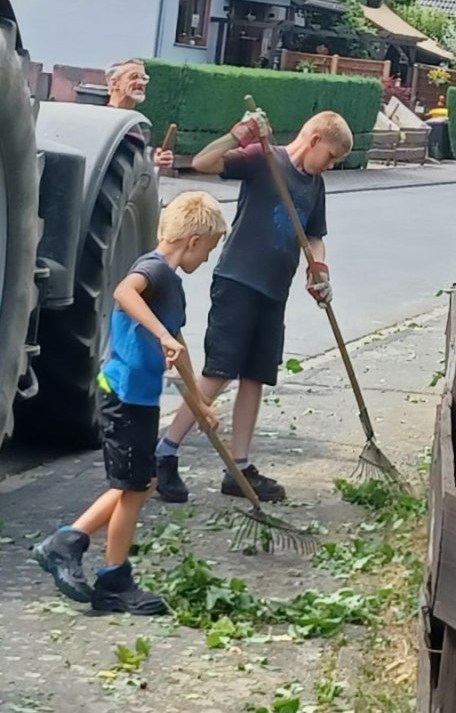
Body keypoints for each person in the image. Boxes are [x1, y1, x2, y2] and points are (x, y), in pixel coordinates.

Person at [30, 191, 227, 614]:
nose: (207, 259)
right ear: (193, 242)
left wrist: (199, 402)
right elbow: (124, 293)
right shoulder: (153, 269)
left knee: (139, 484)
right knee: (134, 487)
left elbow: (180, 350)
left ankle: (83, 556)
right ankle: (99, 567)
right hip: (122, 396)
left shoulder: (171, 286)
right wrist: (161, 333)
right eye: (208, 250)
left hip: (139, 398)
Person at [152, 109, 351, 504]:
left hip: (273, 292)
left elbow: (313, 236)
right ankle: (165, 452)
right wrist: (237, 134)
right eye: (329, 156)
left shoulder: (315, 185)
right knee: (219, 370)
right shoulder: (264, 160)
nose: (329, 166)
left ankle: (238, 467)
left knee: (255, 376)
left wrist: (319, 269)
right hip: (238, 282)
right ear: (313, 141)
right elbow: (204, 163)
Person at [106, 59, 174, 171]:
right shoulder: (106, 120)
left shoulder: (140, 124)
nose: (141, 83)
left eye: (144, 78)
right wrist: (148, 162)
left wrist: (155, 159)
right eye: (134, 77)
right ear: (115, 84)